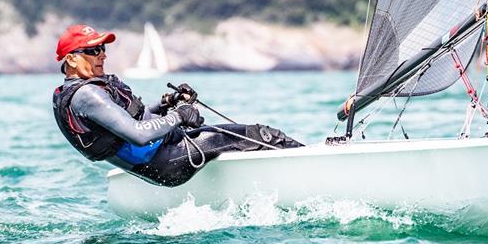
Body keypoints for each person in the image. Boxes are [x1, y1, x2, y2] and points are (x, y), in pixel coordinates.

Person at [52, 24, 302, 187]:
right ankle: (313, 164)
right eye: (93, 50)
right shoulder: (86, 96)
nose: (103, 54)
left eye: (103, 48)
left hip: (160, 159)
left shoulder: (87, 92)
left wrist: (167, 103)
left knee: (239, 139)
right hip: (166, 161)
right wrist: (179, 116)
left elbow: (136, 119)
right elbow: (138, 135)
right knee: (260, 135)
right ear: (71, 59)